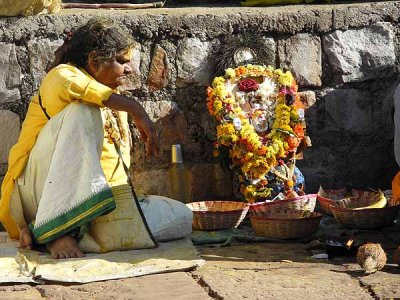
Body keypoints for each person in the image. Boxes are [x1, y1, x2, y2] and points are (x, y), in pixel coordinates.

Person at [0, 17, 191, 259]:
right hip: (37, 193)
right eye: (122, 61)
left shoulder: (114, 98)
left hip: (88, 202)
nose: (130, 69)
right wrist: (137, 109)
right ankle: (56, 231)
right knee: (82, 110)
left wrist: (126, 211)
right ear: (93, 61)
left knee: (183, 216)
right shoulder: (62, 75)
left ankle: (49, 232)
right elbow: (86, 93)